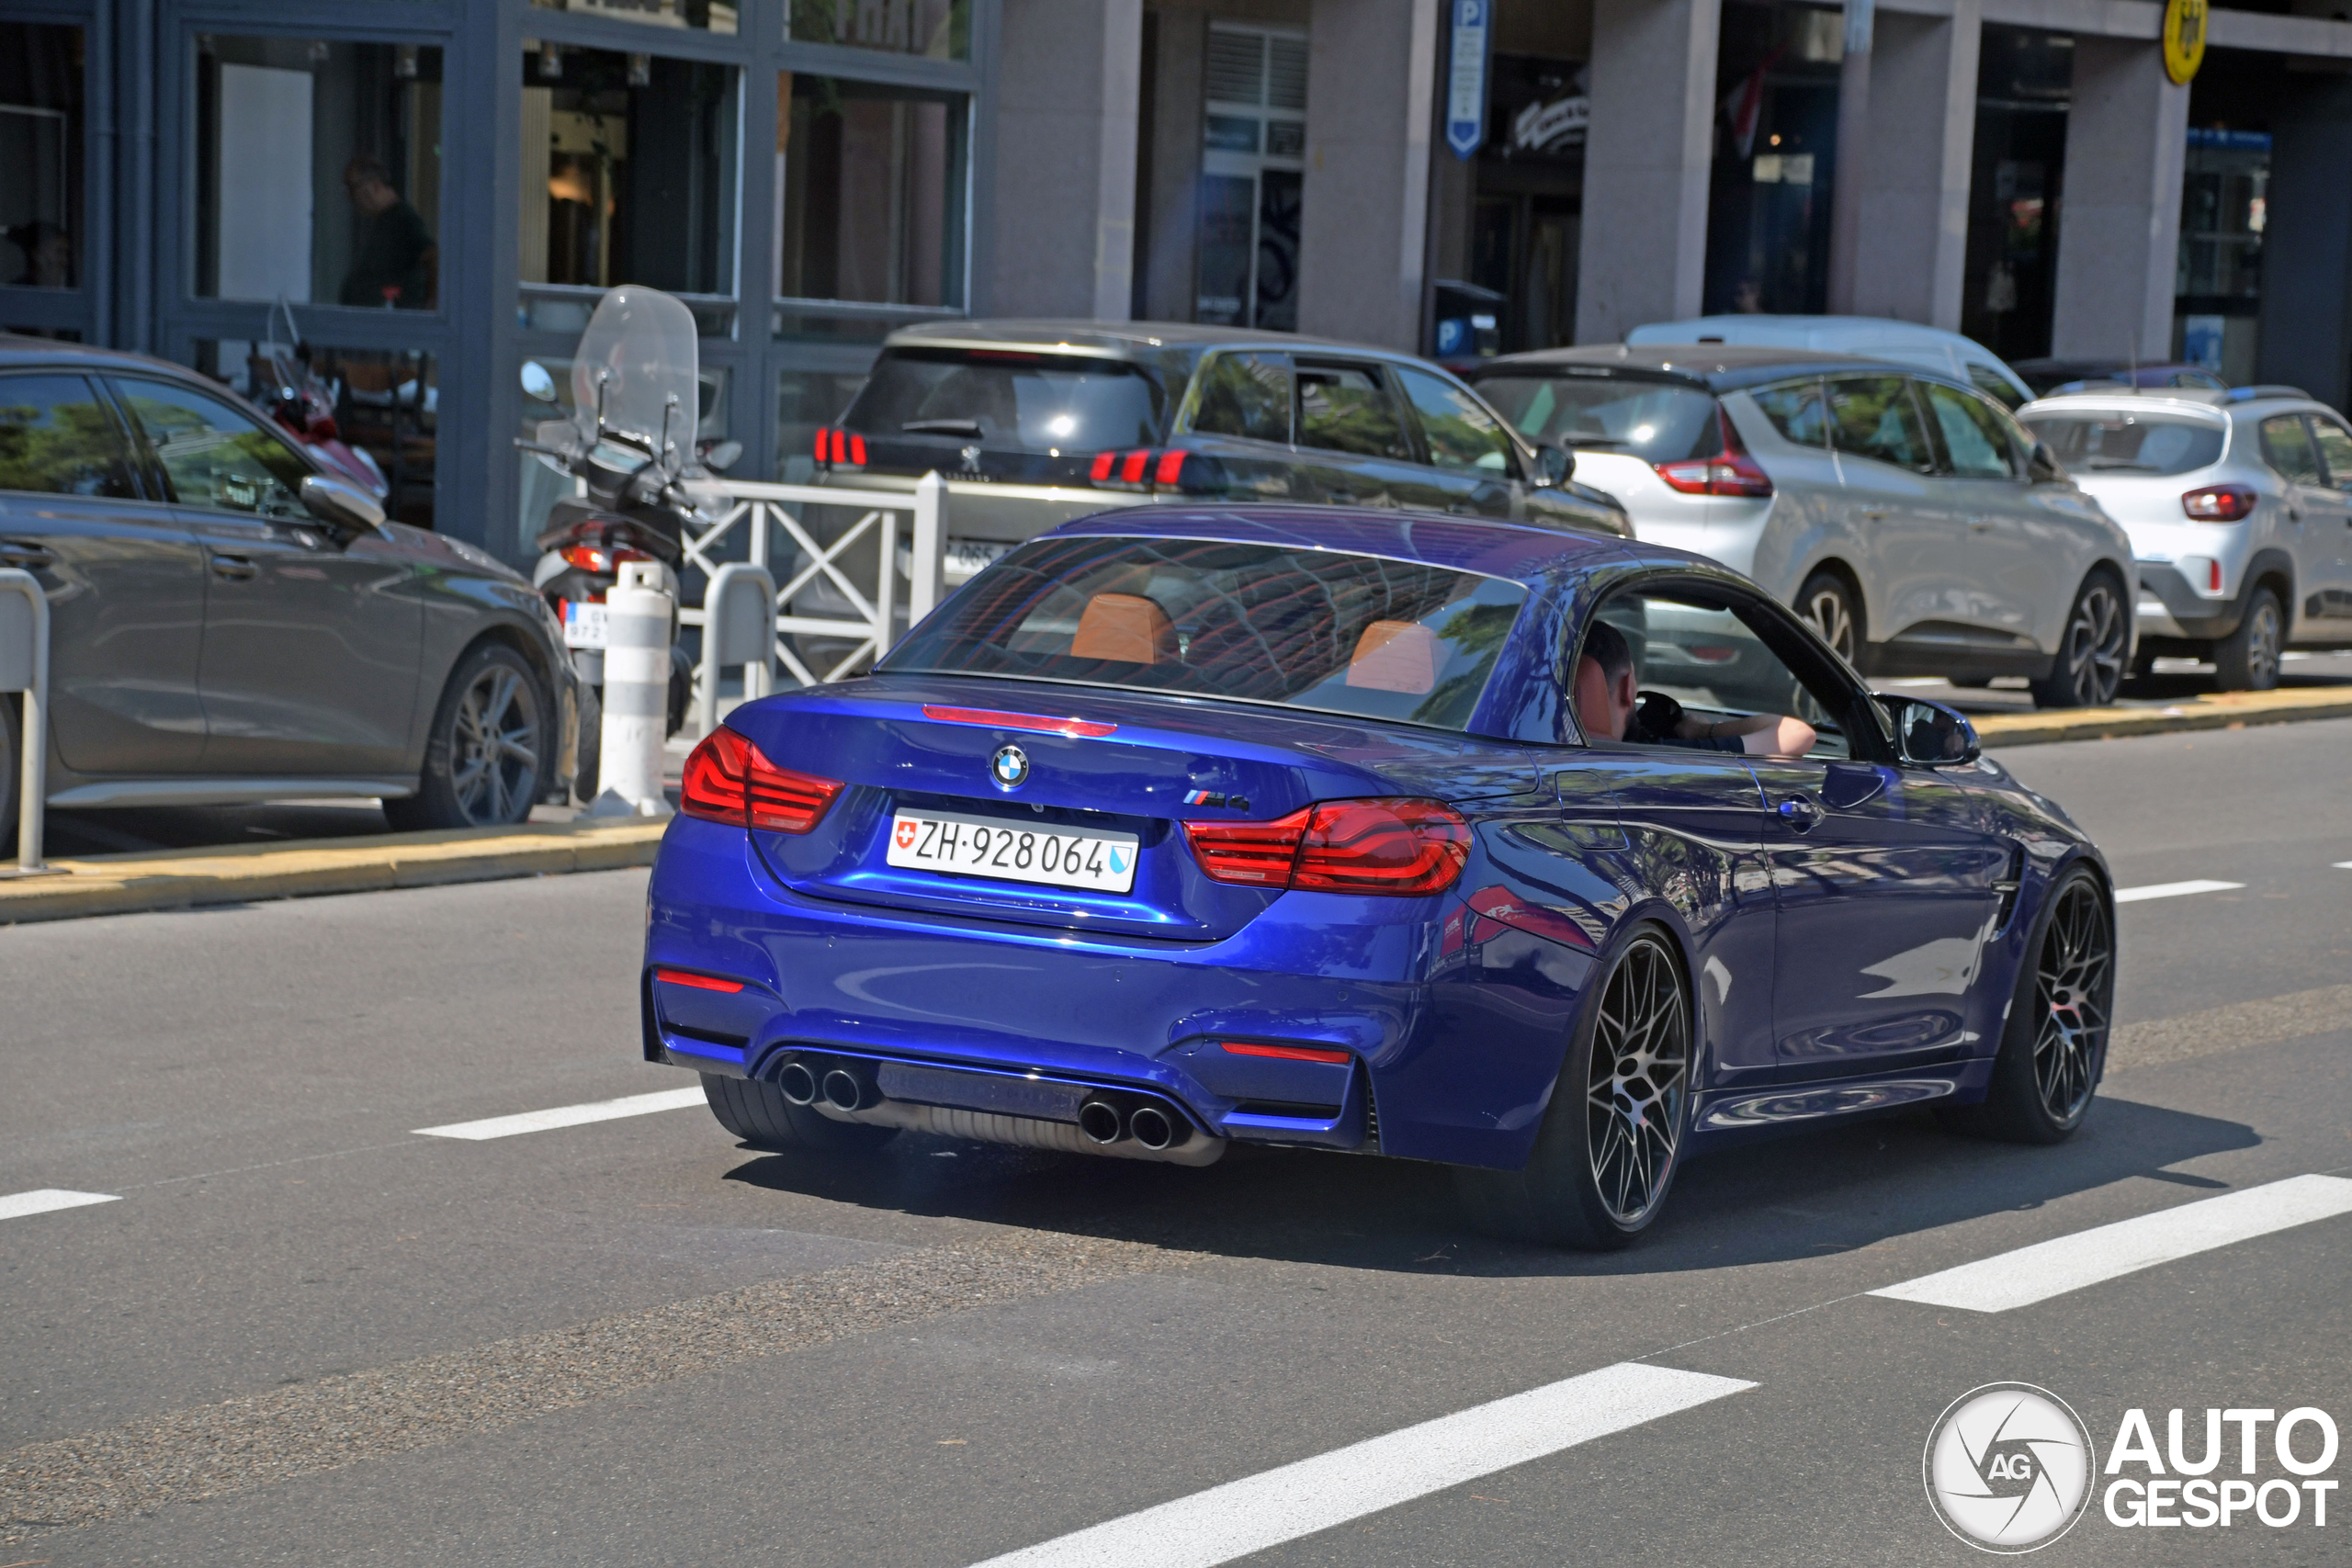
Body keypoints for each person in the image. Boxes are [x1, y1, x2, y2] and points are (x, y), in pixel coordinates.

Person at [1573, 618, 1816, 756]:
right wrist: (1699, 731)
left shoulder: (1542, 749)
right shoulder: (1661, 756)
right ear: (1628, 688)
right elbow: (1797, 735)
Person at [337, 156, 437, 309]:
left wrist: (430, 307)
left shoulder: (403, 218)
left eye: (352, 188)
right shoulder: (384, 221)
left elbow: (431, 256)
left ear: (376, 186)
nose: (349, 197)